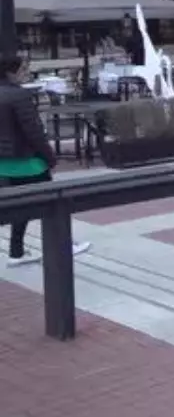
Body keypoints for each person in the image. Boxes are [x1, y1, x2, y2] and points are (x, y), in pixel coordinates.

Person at [0, 56, 91, 266]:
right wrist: (49, 157)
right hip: (26, 161)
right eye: (23, 69)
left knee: (20, 206)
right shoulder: (18, 96)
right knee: (54, 203)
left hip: (4, 162)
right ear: (10, 72)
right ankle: (62, 244)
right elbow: (33, 132)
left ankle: (16, 251)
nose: (26, 73)